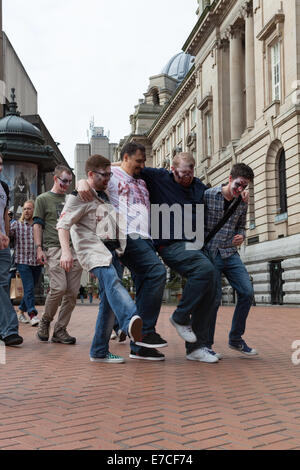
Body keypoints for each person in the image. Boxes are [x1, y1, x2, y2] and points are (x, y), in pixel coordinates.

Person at [78, 144, 167, 361]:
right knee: (156, 272)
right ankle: (143, 332)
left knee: (111, 297)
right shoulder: (113, 175)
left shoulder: (142, 179)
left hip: (146, 239)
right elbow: (95, 173)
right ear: (125, 158)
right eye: (138, 161)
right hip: (125, 235)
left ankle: (111, 349)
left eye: (143, 162)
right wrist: (81, 181)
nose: (142, 166)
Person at [57, 154, 145, 363]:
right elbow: (62, 225)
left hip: (112, 252)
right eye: (103, 175)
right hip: (93, 252)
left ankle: (99, 351)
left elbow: (114, 167)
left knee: (107, 302)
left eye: (109, 174)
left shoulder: (101, 192)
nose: (108, 178)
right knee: (112, 282)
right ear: (90, 174)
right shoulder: (79, 196)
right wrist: (66, 251)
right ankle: (129, 319)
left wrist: (91, 176)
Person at [204, 163, 258, 356]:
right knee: (214, 299)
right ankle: (206, 345)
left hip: (230, 253)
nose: (241, 189)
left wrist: (242, 235)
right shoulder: (209, 195)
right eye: (239, 184)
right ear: (229, 178)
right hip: (211, 254)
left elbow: (242, 226)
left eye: (245, 186)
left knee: (246, 292)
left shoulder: (242, 201)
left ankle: (235, 339)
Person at [33, 165, 83, 345]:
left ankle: (60, 330)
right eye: (64, 181)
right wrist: (39, 248)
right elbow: (37, 225)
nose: (67, 185)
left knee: (72, 292)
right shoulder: (43, 199)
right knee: (59, 287)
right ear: (55, 179)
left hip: (74, 249)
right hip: (53, 248)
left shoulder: (73, 199)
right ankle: (45, 321)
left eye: (70, 182)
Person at [0, 153, 23, 347]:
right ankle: (9, 329)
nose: (0, 167)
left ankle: (6, 329)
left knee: (3, 284)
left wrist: (6, 234)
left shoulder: (4, 187)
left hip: (2, 244)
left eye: (1, 164)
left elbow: (5, 215)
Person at [10, 200, 42, 326]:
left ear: (34, 210)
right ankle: (32, 314)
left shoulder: (38, 226)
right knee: (28, 288)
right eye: (24, 209)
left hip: (36, 261)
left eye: (29, 208)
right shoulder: (17, 225)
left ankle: (20, 311)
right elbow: (8, 234)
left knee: (30, 289)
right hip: (22, 261)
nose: (26, 211)